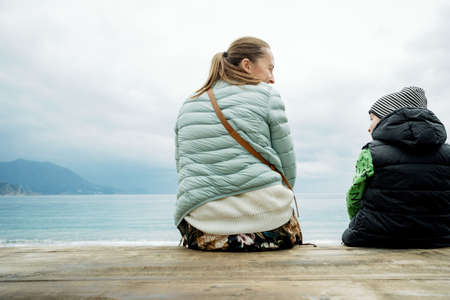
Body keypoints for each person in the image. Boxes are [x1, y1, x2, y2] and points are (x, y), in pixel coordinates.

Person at [174, 37, 301, 251]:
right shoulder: (268, 96)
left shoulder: (189, 104)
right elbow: (288, 169)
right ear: (247, 65)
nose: (272, 78)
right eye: (269, 68)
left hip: (202, 229)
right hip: (267, 222)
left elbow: (183, 167)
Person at [342, 87, 450, 248]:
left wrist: (358, 221)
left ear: (388, 117)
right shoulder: (447, 153)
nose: (369, 127)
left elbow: (354, 198)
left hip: (373, 235)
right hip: (440, 237)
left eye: (372, 119)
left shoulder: (370, 152)